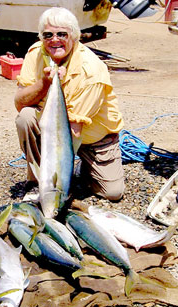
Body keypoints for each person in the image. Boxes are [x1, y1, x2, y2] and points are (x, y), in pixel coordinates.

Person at [15, 7, 125, 201]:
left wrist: (59, 179)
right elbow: (20, 102)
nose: (54, 40)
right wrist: (46, 82)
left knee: (112, 193)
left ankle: (84, 168)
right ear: (41, 37)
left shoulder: (91, 72)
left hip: (93, 138)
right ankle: (35, 181)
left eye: (62, 34)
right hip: (51, 129)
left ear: (74, 36)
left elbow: (72, 134)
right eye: (48, 35)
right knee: (25, 117)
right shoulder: (35, 53)